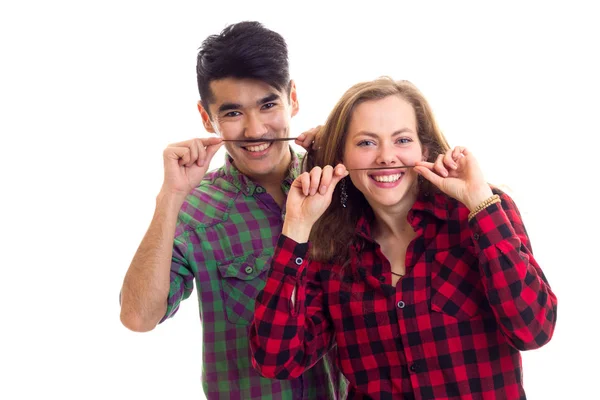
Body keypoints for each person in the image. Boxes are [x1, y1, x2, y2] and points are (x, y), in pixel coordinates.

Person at [249, 77, 558, 399]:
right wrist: (296, 229)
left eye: (402, 140)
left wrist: (480, 203)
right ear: (342, 157)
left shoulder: (479, 214)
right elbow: (277, 362)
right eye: (366, 143)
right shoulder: (327, 247)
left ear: (424, 148)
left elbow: (534, 330)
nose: (386, 157)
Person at [119, 21, 346, 399]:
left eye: (268, 104)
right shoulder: (194, 211)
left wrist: (348, 150)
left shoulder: (336, 184)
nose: (255, 130)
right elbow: (138, 318)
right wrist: (170, 197)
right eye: (233, 113)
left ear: (293, 98)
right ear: (207, 118)